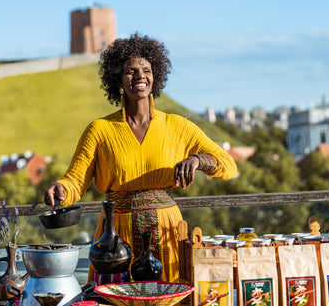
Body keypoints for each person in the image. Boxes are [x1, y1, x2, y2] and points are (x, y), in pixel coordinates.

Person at [44, 33, 237, 283]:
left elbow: (228, 166)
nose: (139, 76)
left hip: (168, 232)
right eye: (130, 71)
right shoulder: (100, 129)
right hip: (116, 238)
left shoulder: (178, 126)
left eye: (146, 70)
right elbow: (75, 181)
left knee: (170, 296)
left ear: (155, 75)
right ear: (117, 79)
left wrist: (198, 160)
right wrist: (60, 189)